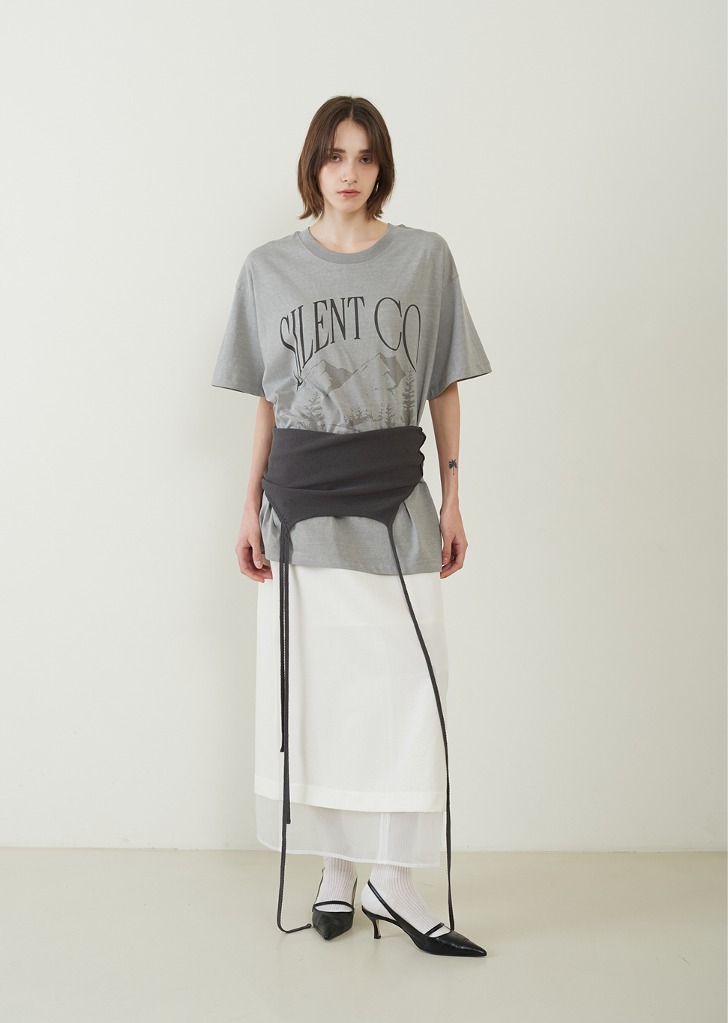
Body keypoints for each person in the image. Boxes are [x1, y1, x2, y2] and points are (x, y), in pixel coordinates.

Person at [212, 96, 492, 957]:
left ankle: (393, 878)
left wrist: (453, 496)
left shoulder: (423, 258)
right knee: (318, 688)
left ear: (382, 167)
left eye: (365, 156)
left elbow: (443, 381)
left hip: (395, 495)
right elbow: (268, 400)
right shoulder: (268, 268)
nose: (350, 171)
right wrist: (247, 503)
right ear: (313, 164)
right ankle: (337, 869)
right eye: (335, 155)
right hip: (298, 502)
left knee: (409, 689)